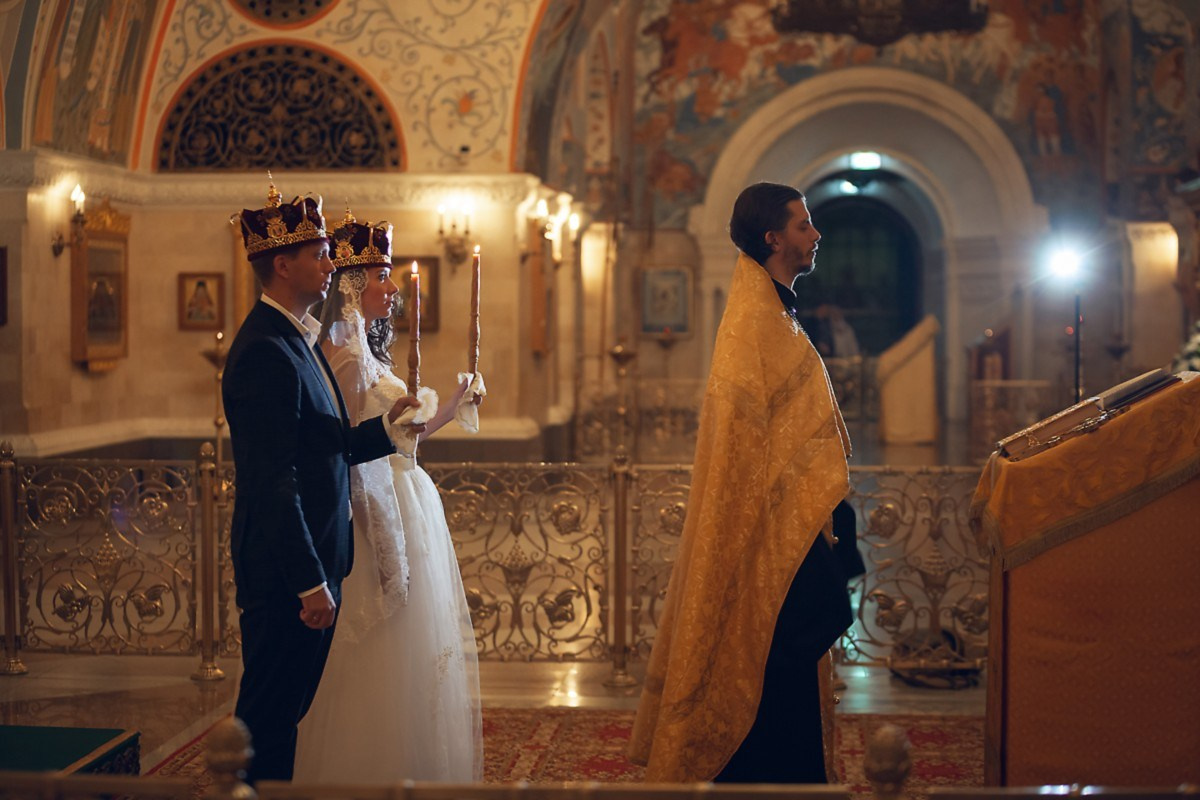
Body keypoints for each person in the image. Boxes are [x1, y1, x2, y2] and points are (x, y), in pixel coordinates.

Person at [629, 182, 854, 783]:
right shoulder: (755, 320)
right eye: (804, 226)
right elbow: (742, 440)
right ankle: (762, 772)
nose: (815, 236)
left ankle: (786, 772)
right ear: (774, 238)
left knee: (798, 632)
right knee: (799, 627)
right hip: (769, 522)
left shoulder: (776, 312)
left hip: (792, 515)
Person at [223, 183, 418, 784]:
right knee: (267, 721)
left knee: (286, 718)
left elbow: (330, 446)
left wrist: (392, 426)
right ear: (283, 265)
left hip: (316, 562)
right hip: (286, 573)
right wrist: (309, 581)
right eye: (320, 254)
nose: (333, 264)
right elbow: (272, 480)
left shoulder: (297, 339)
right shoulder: (265, 351)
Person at [293, 210, 484, 783]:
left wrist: (456, 400)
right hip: (371, 511)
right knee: (377, 643)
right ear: (352, 285)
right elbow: (349, 447)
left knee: (416, 648)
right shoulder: (347, 359)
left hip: (405, 501)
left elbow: (407, 433)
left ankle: (411, 764)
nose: (393, 287)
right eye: (381, 276)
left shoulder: (368, 353)